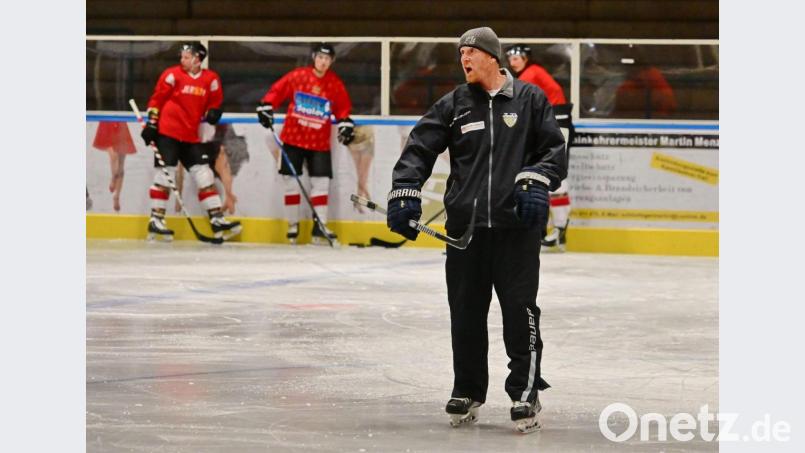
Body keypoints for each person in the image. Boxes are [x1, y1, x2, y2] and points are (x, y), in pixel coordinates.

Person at [387, 27, 567, 433]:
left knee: (521, 314)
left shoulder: (530, 100)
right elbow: (419, 147)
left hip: (515, 230)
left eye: (470, 52)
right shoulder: (454, 104)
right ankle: (467, 388)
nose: (463, 59)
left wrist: (536, 179)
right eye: (460, 54)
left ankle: (525, 391)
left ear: (492, 57)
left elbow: (553, 151)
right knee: (466, 313)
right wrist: (404, 189)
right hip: (465, 231)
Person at [141, 41, 241, 241]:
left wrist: (214, 111)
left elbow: (214, 101)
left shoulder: (210, 79)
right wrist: (152, 124)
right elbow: (156, 100)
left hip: (191, 135)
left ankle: (216, 219)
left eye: (186, 56)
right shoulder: (172, 75)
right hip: (167, 132)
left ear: (198, 59)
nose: (182, 59)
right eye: (182, 56)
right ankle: (156, 221)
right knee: (165, 175)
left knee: (204, 175)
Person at [256, 42, 355, 244]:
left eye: (327, 59)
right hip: (293, 138)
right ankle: (293, 225)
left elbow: (343, 109)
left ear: (332, 61)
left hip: (319, 142)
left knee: (321, 184)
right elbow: (277, 91)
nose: (323, 62)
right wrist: (266, 106)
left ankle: (320, 225)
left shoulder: (335, 84)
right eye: (320, 57)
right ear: (314, 58)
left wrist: (346, 122)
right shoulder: (298, 76)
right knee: (290, 183)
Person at [506, 44, 574, 251]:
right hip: (551, 123)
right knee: (544, 176)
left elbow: (513, 102)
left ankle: (559, 228)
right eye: (510, 58)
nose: (512, 62)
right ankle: (552, 230)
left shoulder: (530, 74)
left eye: (517, 57)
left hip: (557, 123)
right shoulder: (531, 72)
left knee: (555, 176)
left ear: (526, 58)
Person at [92, 121, 136, 212]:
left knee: (121, 163)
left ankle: (117, 196)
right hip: (108, 121)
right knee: (114, 156)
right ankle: (113, 178)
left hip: (121, 122)